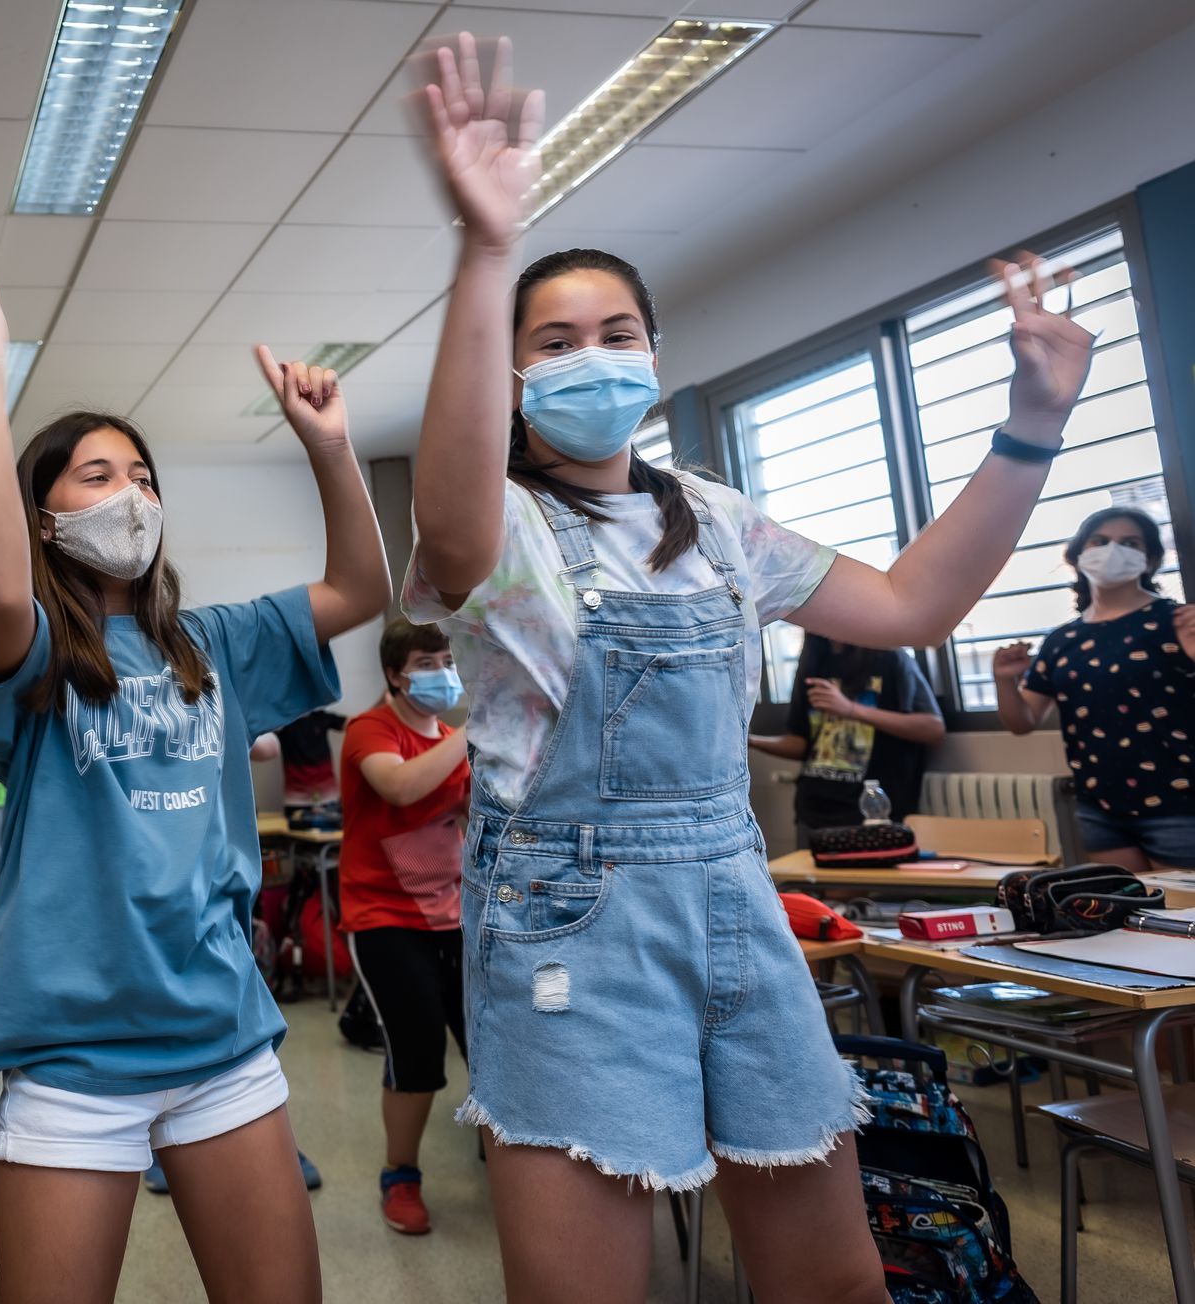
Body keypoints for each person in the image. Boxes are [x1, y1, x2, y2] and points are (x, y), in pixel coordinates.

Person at [406, 33, 1092, 1302]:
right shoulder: (498, 525)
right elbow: (446, 518)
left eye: (614, 331)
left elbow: (910, 598)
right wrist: (484, 246)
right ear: (510, 375)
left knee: (835, 1280)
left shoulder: (717, 519)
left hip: (732, 897)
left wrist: (1032, 424)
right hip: (570, 927)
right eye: (552, 342)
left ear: (655, 354)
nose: (588, 355)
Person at [0, 251, 389, 1304]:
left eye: (143, 476)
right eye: (97, 475)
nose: (131, 493)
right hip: (72, 1058)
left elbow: (362, 585)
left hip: (220, 1035)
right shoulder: (27, 653)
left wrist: (330, 448)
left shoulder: (215, 644)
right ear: (43, 515)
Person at [338, 619, 471, 1235]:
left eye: (448, 658)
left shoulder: (448, 738)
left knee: (488, 1044)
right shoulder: (372, 731)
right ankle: (401, 1173)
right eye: (427, 661)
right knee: (416, 1049)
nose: (441, 670)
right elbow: (400, 784)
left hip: (454, 915)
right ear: (395, 673)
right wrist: (472, 735)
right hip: (384, 917)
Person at [995, 507, 1195, 871]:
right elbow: (1022, 721)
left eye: (1129, 543)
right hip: (1100, 808)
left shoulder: (1179, 622)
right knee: (1126, 916)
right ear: (1078, 556)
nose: (1113, 550)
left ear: (1149, 559)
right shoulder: (1061, 640)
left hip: (1180, 802)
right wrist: (1004, 680)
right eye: (1100, 541)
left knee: (1185, 918)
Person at [748, 635, 945, 834]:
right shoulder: (812, 664)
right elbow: (802, 743)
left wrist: (851, 709)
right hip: (813, 812)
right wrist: (750, 742)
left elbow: (932, 728)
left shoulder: (890, 656)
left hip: (875, 813)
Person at [268, 708, 348, 817]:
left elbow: (354, 723)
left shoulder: (321, 717)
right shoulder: (283, 721)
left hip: (328, 799)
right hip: (296, 800)